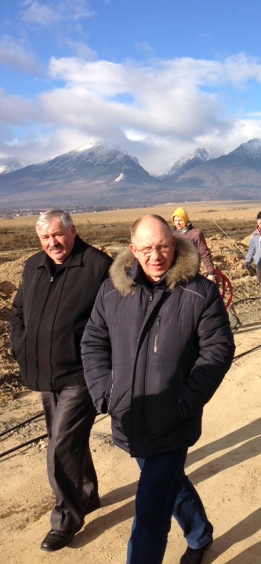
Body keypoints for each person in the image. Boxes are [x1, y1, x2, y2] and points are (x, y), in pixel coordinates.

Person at [80, 214, 235, 564]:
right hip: (128, 413)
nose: (156, 255)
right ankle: (200, 533)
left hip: (173, 420)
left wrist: (185, 401)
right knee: (167, 483)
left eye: (163, 246)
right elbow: (93, 341)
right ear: (133, 250)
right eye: (147, 248)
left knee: (150, 511)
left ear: (175, 244)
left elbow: (218, 349)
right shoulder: (112, 290)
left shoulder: (199, 292)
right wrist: (106, 392)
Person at [9, 209, 112, 552]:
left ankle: (66, 519)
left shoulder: (97, 266)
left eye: (57, 234)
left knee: (60, 446)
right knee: (65, 438)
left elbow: (113, 318)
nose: (52, 243)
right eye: (45, 237)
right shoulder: (32, 266)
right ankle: (87, 494)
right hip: (45, 372)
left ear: (73, 231)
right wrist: (21, 343)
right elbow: (19, 311)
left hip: (80, 373)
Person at [171, 207, 216, 281]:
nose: (177, 223)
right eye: (175, 220)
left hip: (190, 272)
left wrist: (211, 272)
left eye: (180, 220)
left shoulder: (195, 234)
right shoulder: (172, 233)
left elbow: (204, 253)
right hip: (173, 272)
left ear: (185, 220)